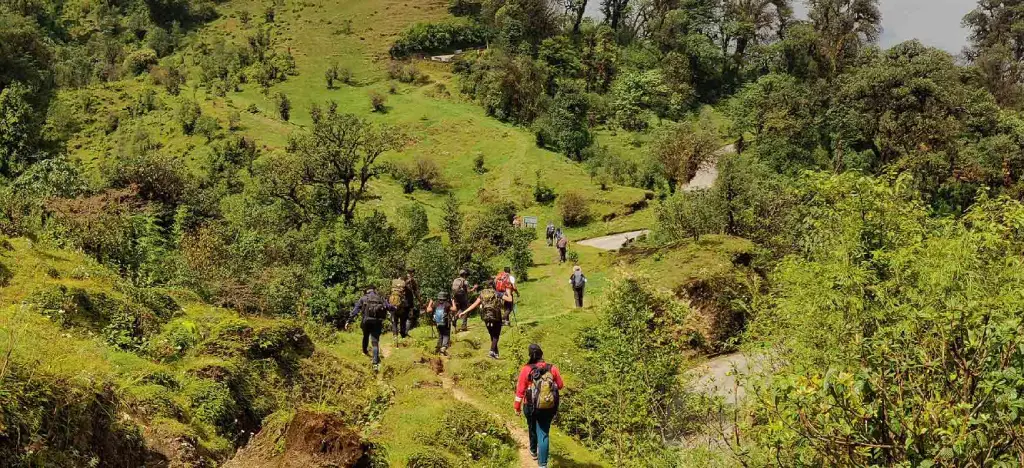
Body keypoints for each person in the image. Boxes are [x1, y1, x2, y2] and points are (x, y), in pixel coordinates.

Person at [514, 344, 565, 468]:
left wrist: (517, 406)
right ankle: (542, 464)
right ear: (542, 354)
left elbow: (520, 390)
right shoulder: (552, 368)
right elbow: (560, 385)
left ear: (530, 355)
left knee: (532, 427)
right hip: (548, 406)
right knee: (543, 433)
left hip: (530, 405)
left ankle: (533, 451)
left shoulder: (526, 369)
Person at [346, 286, 394, 371]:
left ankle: (365, 351)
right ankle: (375, 363)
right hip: (377, 322)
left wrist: (348, 321)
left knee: (365, 336)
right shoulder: (380, 298)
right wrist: (395, 308)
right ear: (374, 290)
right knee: (375, 342)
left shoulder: (363, 298)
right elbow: (389, 307)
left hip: (366, 321)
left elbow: (355, 311)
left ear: (366, 291)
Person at [461, 280, 510, 359]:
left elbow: (474, 304)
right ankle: (491, 351)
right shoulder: (496, 293)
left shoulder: (482, 294)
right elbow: (509, 299)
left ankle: (495, 353)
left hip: (486, 317)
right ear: (494, 285)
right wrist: (508, 291)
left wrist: (464, 312)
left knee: (492, 335)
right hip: (496, 317)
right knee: (496, 336)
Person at [427, 291, 456, 355]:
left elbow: (428, 310)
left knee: (440, 334)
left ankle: (438, 347)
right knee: (446, 334)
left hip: (438, 323)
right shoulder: (447, 304)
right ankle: (443, 347)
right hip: (445, 323)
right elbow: (454, 309)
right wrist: (453, 302)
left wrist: (430, 303)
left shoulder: (435, 304)